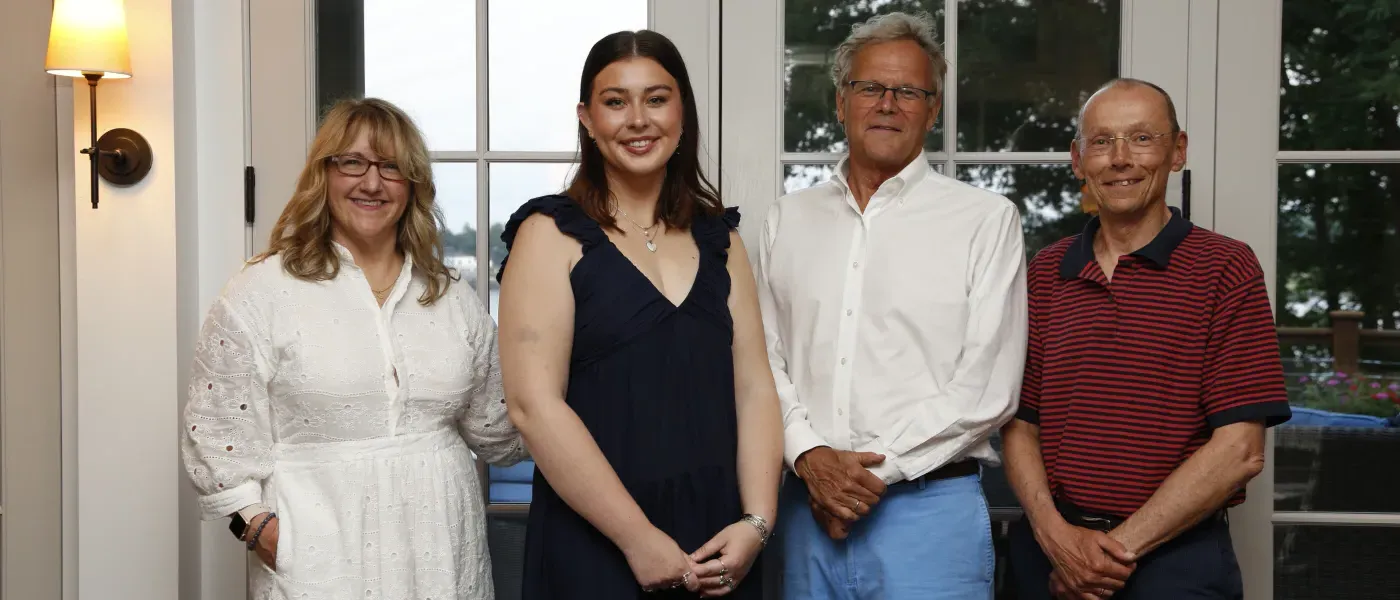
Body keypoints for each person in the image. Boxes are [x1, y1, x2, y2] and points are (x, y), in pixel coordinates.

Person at [180, 98, 527, 600]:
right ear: (324, 176)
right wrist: (261, 532)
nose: (371, 182)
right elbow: (215, 431)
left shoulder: (451, 297)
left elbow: (497, 429)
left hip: (441, 550)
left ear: (412, 186)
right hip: (319, 557)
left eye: (391, 167)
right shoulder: (261, 290)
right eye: (352, 162)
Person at [495, 30, 783, 599]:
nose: (637, 119)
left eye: (656, 98)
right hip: (596, 540)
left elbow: (754, 388)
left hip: (720, 544)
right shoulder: (548, 234)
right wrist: (636, 538)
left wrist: (756, 523)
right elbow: (533, 407)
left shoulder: (722, 239)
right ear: (587, 117)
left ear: (682, 112)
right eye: (615, 101)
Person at [758, 11, 1027, 599]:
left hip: (931, 514)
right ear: (840, 101)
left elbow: (988, 388)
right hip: (808, 513)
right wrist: (809, 456)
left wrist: (859, 481)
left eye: (909, 91)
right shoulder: (788, 218)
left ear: (932, 110)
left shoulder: (986, 221)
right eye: (870, 87)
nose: (887, 103)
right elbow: (762, 358)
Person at [1002, 78, 1293, 600]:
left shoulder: (1226, 267)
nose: (1120, 159)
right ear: (1078, 159)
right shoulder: (1046, 272)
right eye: (1102, 141)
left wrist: (1108, 555)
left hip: (1175, 561)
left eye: (1142, 138)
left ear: (1177, 151)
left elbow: (1241, 450)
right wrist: (1056, 537)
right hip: (1049, 551)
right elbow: (1021, 425)